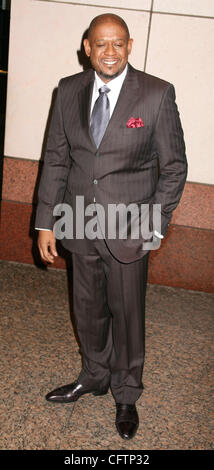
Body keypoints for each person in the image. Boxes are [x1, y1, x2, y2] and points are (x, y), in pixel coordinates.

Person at [35, 13, 187, 440]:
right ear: (87, 47)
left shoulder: (156, 94)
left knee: (127, 314)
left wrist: (154, 225)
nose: (109, 52)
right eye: (101, 44)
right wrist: (45, 222)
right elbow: (57, 159)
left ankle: (126, 392)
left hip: (130, 228)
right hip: (78, 220)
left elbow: (174, 168)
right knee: (87, 309)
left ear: (130, 46)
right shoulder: (67, 90)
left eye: (118, 43)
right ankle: (95, 374)